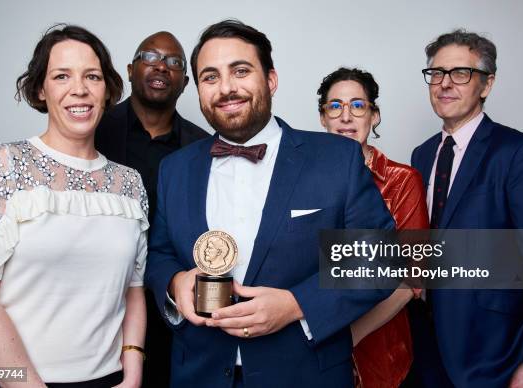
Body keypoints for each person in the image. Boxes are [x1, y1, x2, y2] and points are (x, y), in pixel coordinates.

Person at [144, 20, 396, 388]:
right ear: (198, 90)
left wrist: (297, 305)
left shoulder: (335, 158)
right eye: (210, 77)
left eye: (241, 71)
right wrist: (174, 282)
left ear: (271, 80)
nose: (226, 88)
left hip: (305, 373)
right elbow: (159, 253)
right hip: (198, 373)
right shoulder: (175, 168)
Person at [0, 24, 147, 386]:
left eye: (92, 76)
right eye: (62, 76)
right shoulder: (0, 164)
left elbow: (133, 291)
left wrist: (132, 375)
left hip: (107, 380)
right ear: (40, 89)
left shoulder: (129, 183)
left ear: (107, 90)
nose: (80, 89)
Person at [411, 29, 523, 387]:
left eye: (460, 73)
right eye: (436, 73)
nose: (444, 84)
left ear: (486, 84)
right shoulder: (422, 155)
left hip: (495, 354)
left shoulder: (521, 155)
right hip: (427, 350)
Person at [94, 31, 209, 387]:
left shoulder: (205, 147)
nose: (161, 65)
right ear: (130, 69)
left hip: (173, 309)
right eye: (150, 56)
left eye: (174, 62)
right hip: (98, 304)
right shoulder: (90, 129)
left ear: (185, 82)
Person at [318, 67, 429, 388]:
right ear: (323, 118)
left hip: (381, 352)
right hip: (314, 345)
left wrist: (347, 338)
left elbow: (413, 278)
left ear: (374, 115)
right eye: (335, 106)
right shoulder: (306, 181)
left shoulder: (403, 180)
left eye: (357, 105)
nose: (346, 116)